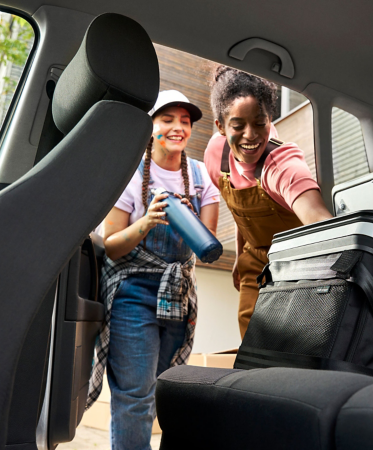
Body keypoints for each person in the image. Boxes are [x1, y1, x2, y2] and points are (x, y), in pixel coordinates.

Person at [90, 90, 219, 450]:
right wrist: (147, 221)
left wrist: (186, 215)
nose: (178, 127)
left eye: (185, 121)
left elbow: (206, 244)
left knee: (166, 391)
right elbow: (111, 246)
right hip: (133, 293)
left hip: (177, 293)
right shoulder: (129, 175)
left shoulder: (199, 177)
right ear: (150, 127)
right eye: (167, 119)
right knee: (135, 394)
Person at [203, 66, 333, 338]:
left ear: (270, 119)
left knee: (297, 346)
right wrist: (240, 256)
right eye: (238, 126)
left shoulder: (283, 165)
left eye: (260, 123)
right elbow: (239, 211)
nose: (251, 135)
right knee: (252, 346)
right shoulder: (216, 155)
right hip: (255, 262)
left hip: (297, 262)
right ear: (221, 127)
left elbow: (319, 221)